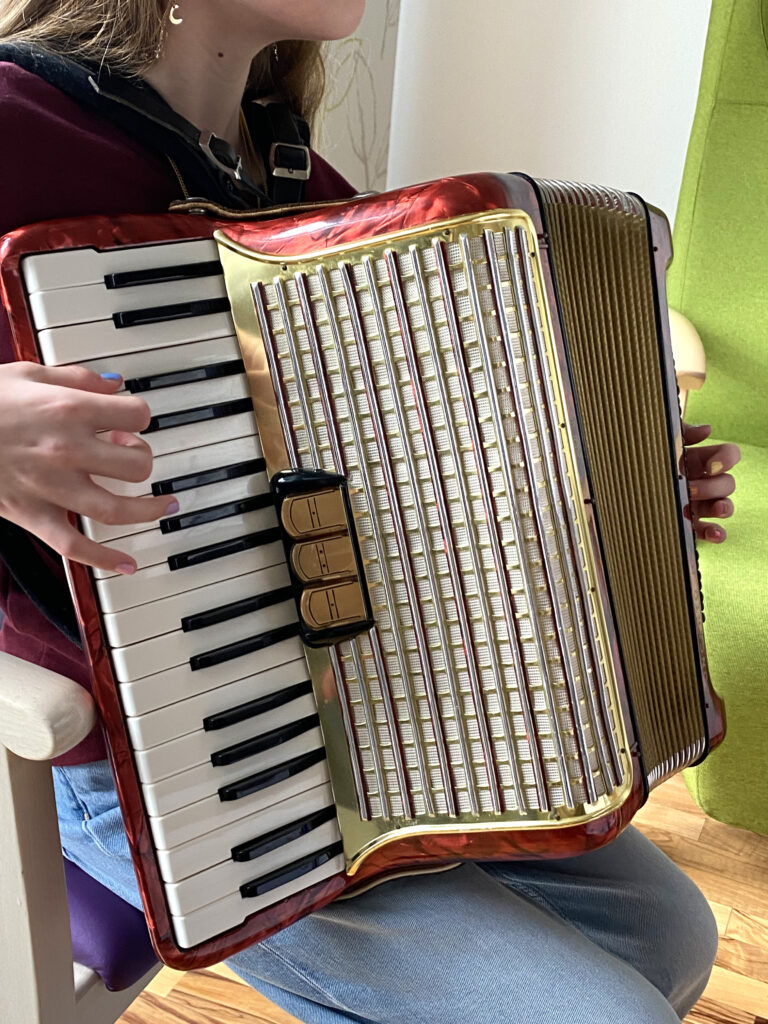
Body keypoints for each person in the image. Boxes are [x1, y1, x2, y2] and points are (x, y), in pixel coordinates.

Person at [0, 2, 741, 1022]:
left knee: (666, 933)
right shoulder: (17, 121)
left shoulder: (296, 186)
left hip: (359, 710)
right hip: (163, 765)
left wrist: (622, 496)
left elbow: (418, 480)